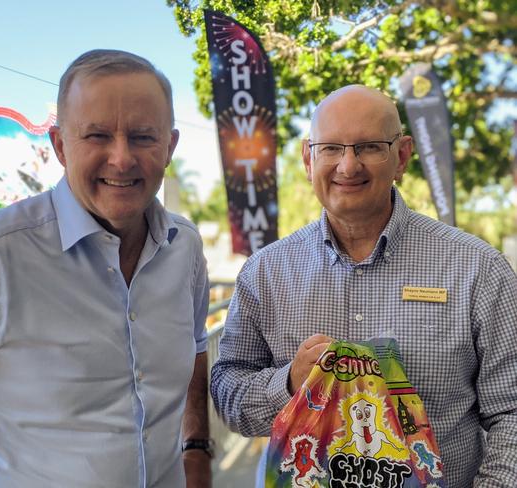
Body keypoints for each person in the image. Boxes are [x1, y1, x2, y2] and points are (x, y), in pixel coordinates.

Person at [0, 49, 212, 488]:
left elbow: (197, 341)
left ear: (170, 146)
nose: (122, 158)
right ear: (61, 146)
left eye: (144, 136)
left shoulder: (184, 247)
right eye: (97, 135)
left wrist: (196, 447)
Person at [210, 85, 517, 487]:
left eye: (369, 146)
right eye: (331, 148)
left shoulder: (477, 269)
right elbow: (228, 394)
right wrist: (287, 384)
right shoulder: (265, 273)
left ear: (402, 155)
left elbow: (510, 412)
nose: (348, 166)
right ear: (308, 158)